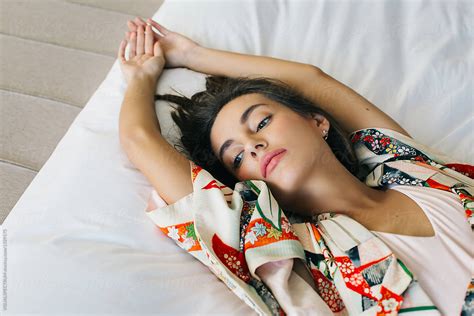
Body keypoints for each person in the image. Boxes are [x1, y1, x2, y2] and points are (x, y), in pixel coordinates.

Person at [118, 16, 473, 315]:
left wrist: (193, 54)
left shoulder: (406, 167)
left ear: (317, 121)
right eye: (237, 157)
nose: (253, 146)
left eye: (261, 123)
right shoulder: (292, 249)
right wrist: (141, 77)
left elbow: (311, 80)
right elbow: (140, 141)